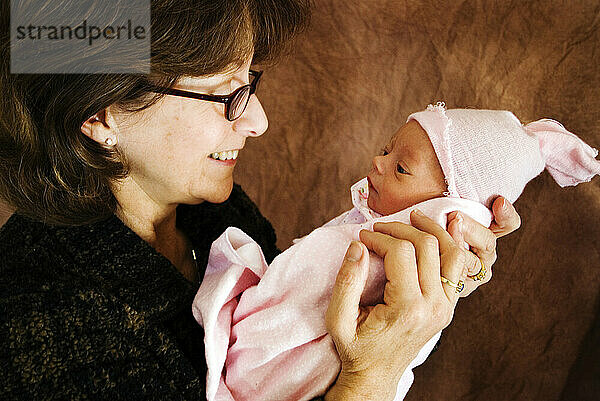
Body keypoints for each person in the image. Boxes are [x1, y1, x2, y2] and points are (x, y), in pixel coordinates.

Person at [0, 1, 521, 400]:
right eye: (227, 95)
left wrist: (432, 248)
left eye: (250, 82)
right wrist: (371, 376)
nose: (257, 121)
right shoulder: (42, 321)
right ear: (101, 115)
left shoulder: (212, 212)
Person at [193, 103, 600, 401]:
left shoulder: (408, 244)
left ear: (446, 208)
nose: (377, 160)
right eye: (388, 151)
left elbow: (390, 328)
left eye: (401, 167)